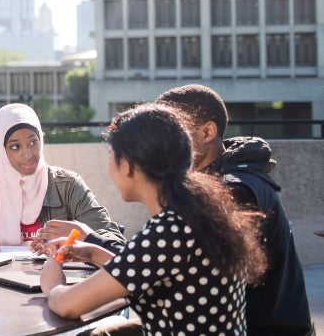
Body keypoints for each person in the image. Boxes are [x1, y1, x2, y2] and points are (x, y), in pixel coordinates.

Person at [38, 102, 267, 335]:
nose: (109, 168)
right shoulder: (201, 213)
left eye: (111, 157)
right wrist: (92, 252)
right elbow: (143, 269)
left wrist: (52, 284)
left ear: (126, 165)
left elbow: (67, 306)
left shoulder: (169, 232)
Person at [157, 84, 315, 335]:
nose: (162, 144)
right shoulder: (219, 178)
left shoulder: (237, 190)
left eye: (172, 132)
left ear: (207, 131)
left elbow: (178, 271)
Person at [0, 103, 125, 250]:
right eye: (15, 146)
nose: (28, 154)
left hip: (54, 282)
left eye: (33, 142)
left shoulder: (67, 185)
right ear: (1, 150)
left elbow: (113, 240)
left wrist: (79, 238)